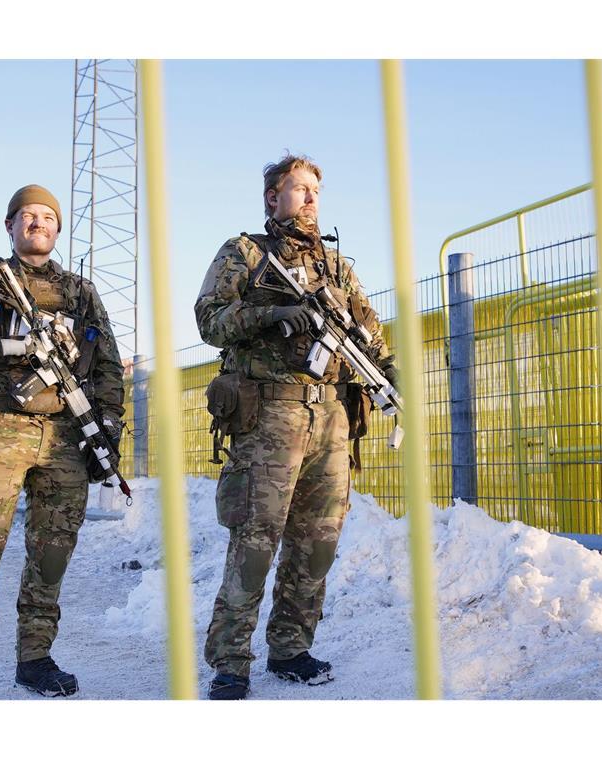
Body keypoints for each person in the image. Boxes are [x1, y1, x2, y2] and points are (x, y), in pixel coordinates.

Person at [195, 155, 396, 700]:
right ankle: (231, 660)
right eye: (297, 189)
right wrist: (269, 315)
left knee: (318, 541)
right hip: (270, 415)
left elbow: (368, 332)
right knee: (256, 539)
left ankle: (291, 647)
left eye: (315, 190)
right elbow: (209, 320)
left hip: (331, 416)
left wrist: (391, 371)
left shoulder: (336, 267)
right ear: (271, 198)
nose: (309, 199)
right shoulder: (244, 254)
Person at [0, 184, 126, 699]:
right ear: (10, 225)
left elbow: (106, 369)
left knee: (51, 554)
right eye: (27, 216)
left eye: (48, 218)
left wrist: (108, 435)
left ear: (58, 229)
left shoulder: (81, 293)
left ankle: (35, 659)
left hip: (65, 437)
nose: (38, 224)